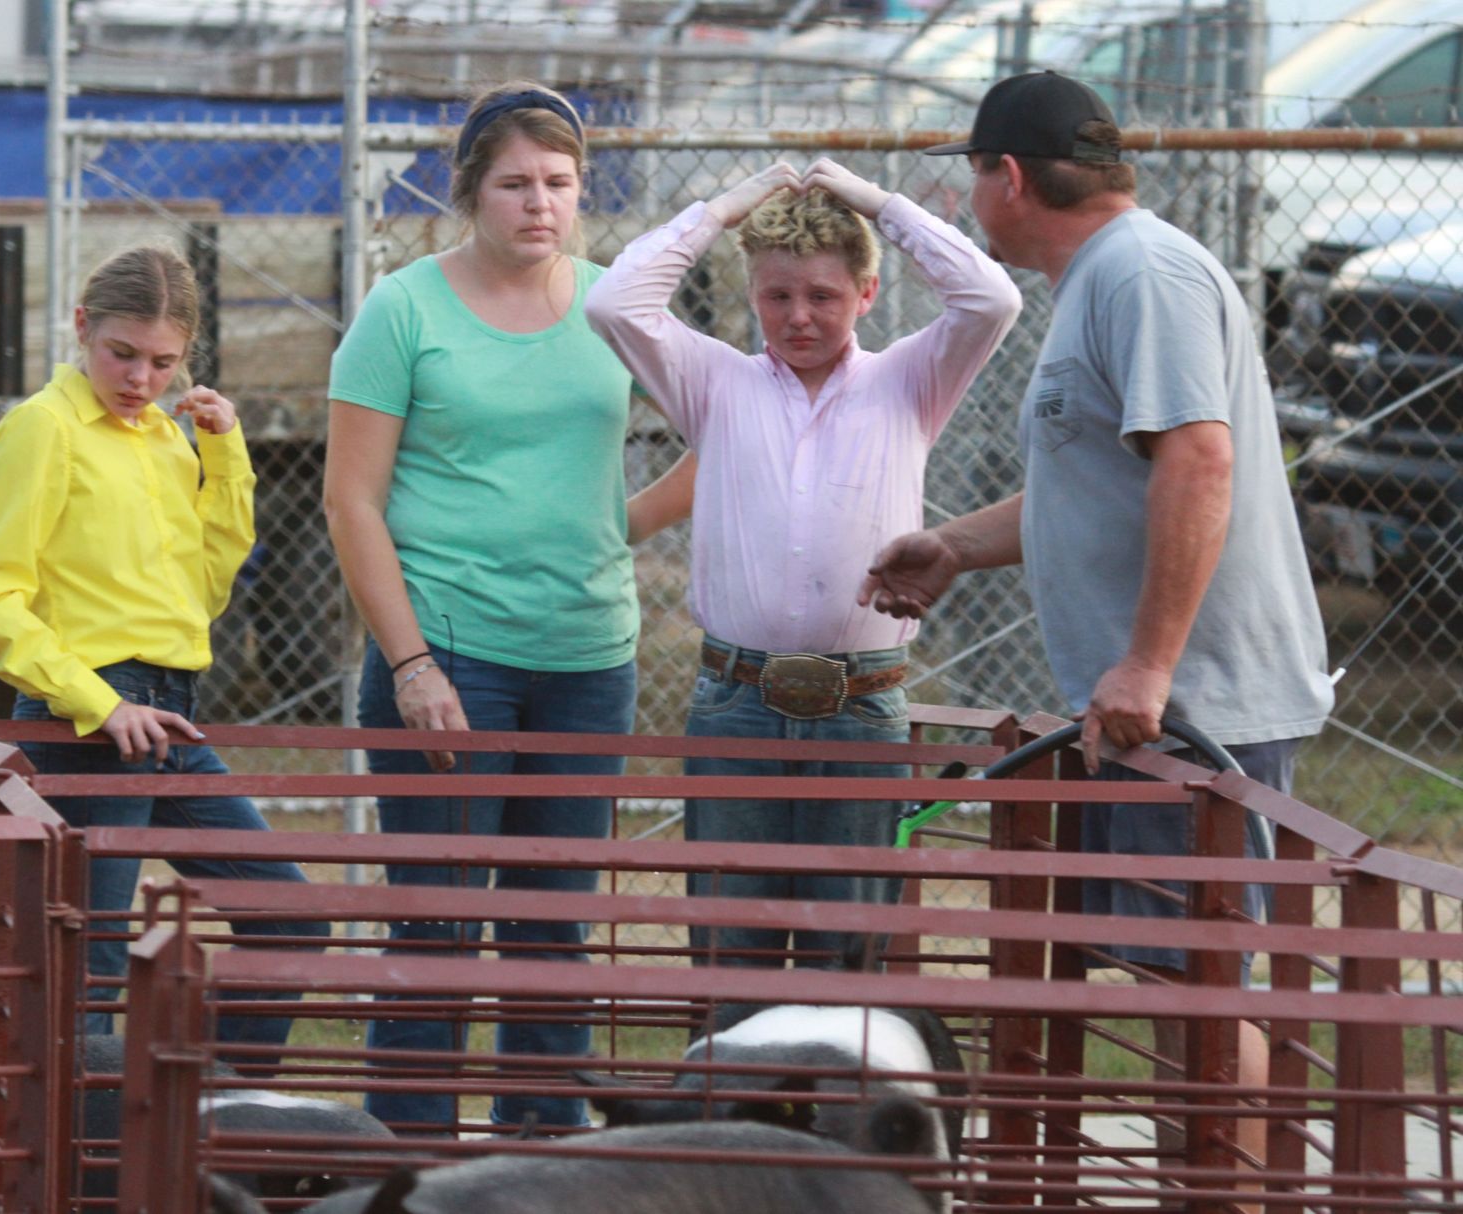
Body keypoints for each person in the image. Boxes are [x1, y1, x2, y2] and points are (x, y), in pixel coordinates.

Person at [859, 70, 1336, 1192]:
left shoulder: (1144, 272)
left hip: (1193, 705)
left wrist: (1150, 660)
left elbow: (1196, 459)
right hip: (1151, 702)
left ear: (1006, 177)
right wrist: (954, 546)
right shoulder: (1101, 278)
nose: (972, 189)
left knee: (1198, 991)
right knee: (1172, 982)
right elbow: (1104, 479)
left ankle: (1227, 1195)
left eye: (972, 171)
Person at [323, 80, 694, 1134]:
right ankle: (404, 1166)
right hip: (448, 655)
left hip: (587, 657)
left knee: (556, 928)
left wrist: (601, 529)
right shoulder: (404, 308)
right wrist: (411, 665)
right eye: (516, 184)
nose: (541, 204)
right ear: (470, 193)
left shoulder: (618, 303)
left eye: (561, 184)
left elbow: (731, 424)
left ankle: (540, 1159)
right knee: (437, 926)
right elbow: (350, 501)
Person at [585, 158, 1021, 969]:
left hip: (862, 705)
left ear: (866, 295)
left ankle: (834, 1097)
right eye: (777, 296)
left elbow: (991, 299)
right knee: (730, 954)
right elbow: (614, 300)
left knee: (845, 960)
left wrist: (877, 203)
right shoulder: (714, 382)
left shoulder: (909, 381)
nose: (798, 318)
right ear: (753, 296)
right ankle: (734, 1100)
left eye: (823, 296)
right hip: (737, 703)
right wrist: (721, 209)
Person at [0, 243, 330, 1051]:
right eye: (121, 354)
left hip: (171, 711)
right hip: (87, 714)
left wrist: (224, 454)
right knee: (88, 965)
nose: (139, 379)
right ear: (83, 327)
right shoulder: (41, 430)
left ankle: (202, 1126)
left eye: (162, 363)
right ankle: (87, 1168)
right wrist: (98, 701)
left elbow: (203, 590)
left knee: (292, 920)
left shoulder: (165, 437)